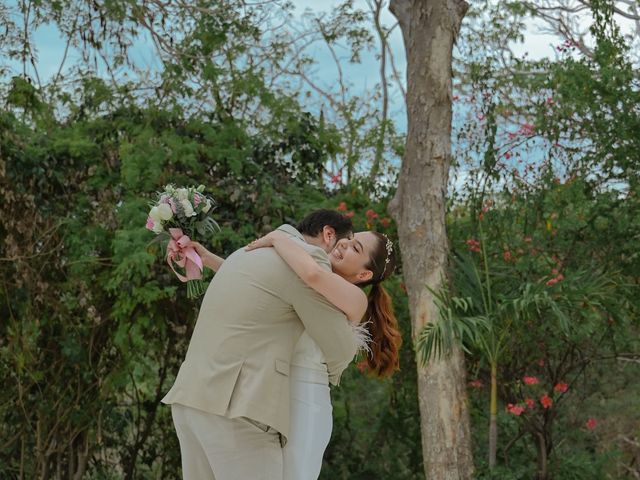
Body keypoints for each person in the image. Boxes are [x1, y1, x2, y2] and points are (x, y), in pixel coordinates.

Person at [192, 216, 402, 480]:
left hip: (306, 401)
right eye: (350, 239)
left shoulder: (354, 298)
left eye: (356, 249)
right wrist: (208, 258)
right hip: (276, 396)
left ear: (364, 275)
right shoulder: (307, 277)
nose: (344, 245)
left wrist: (279, 237)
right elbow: (262, 282)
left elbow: (312, 274)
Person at [161, 210, 359, 480]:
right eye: (346, 244)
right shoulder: (307, 261)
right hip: (235, 411)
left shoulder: (245, 253)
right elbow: (338, 345)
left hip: (190, 400)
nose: (342, 255)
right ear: (328, 235)